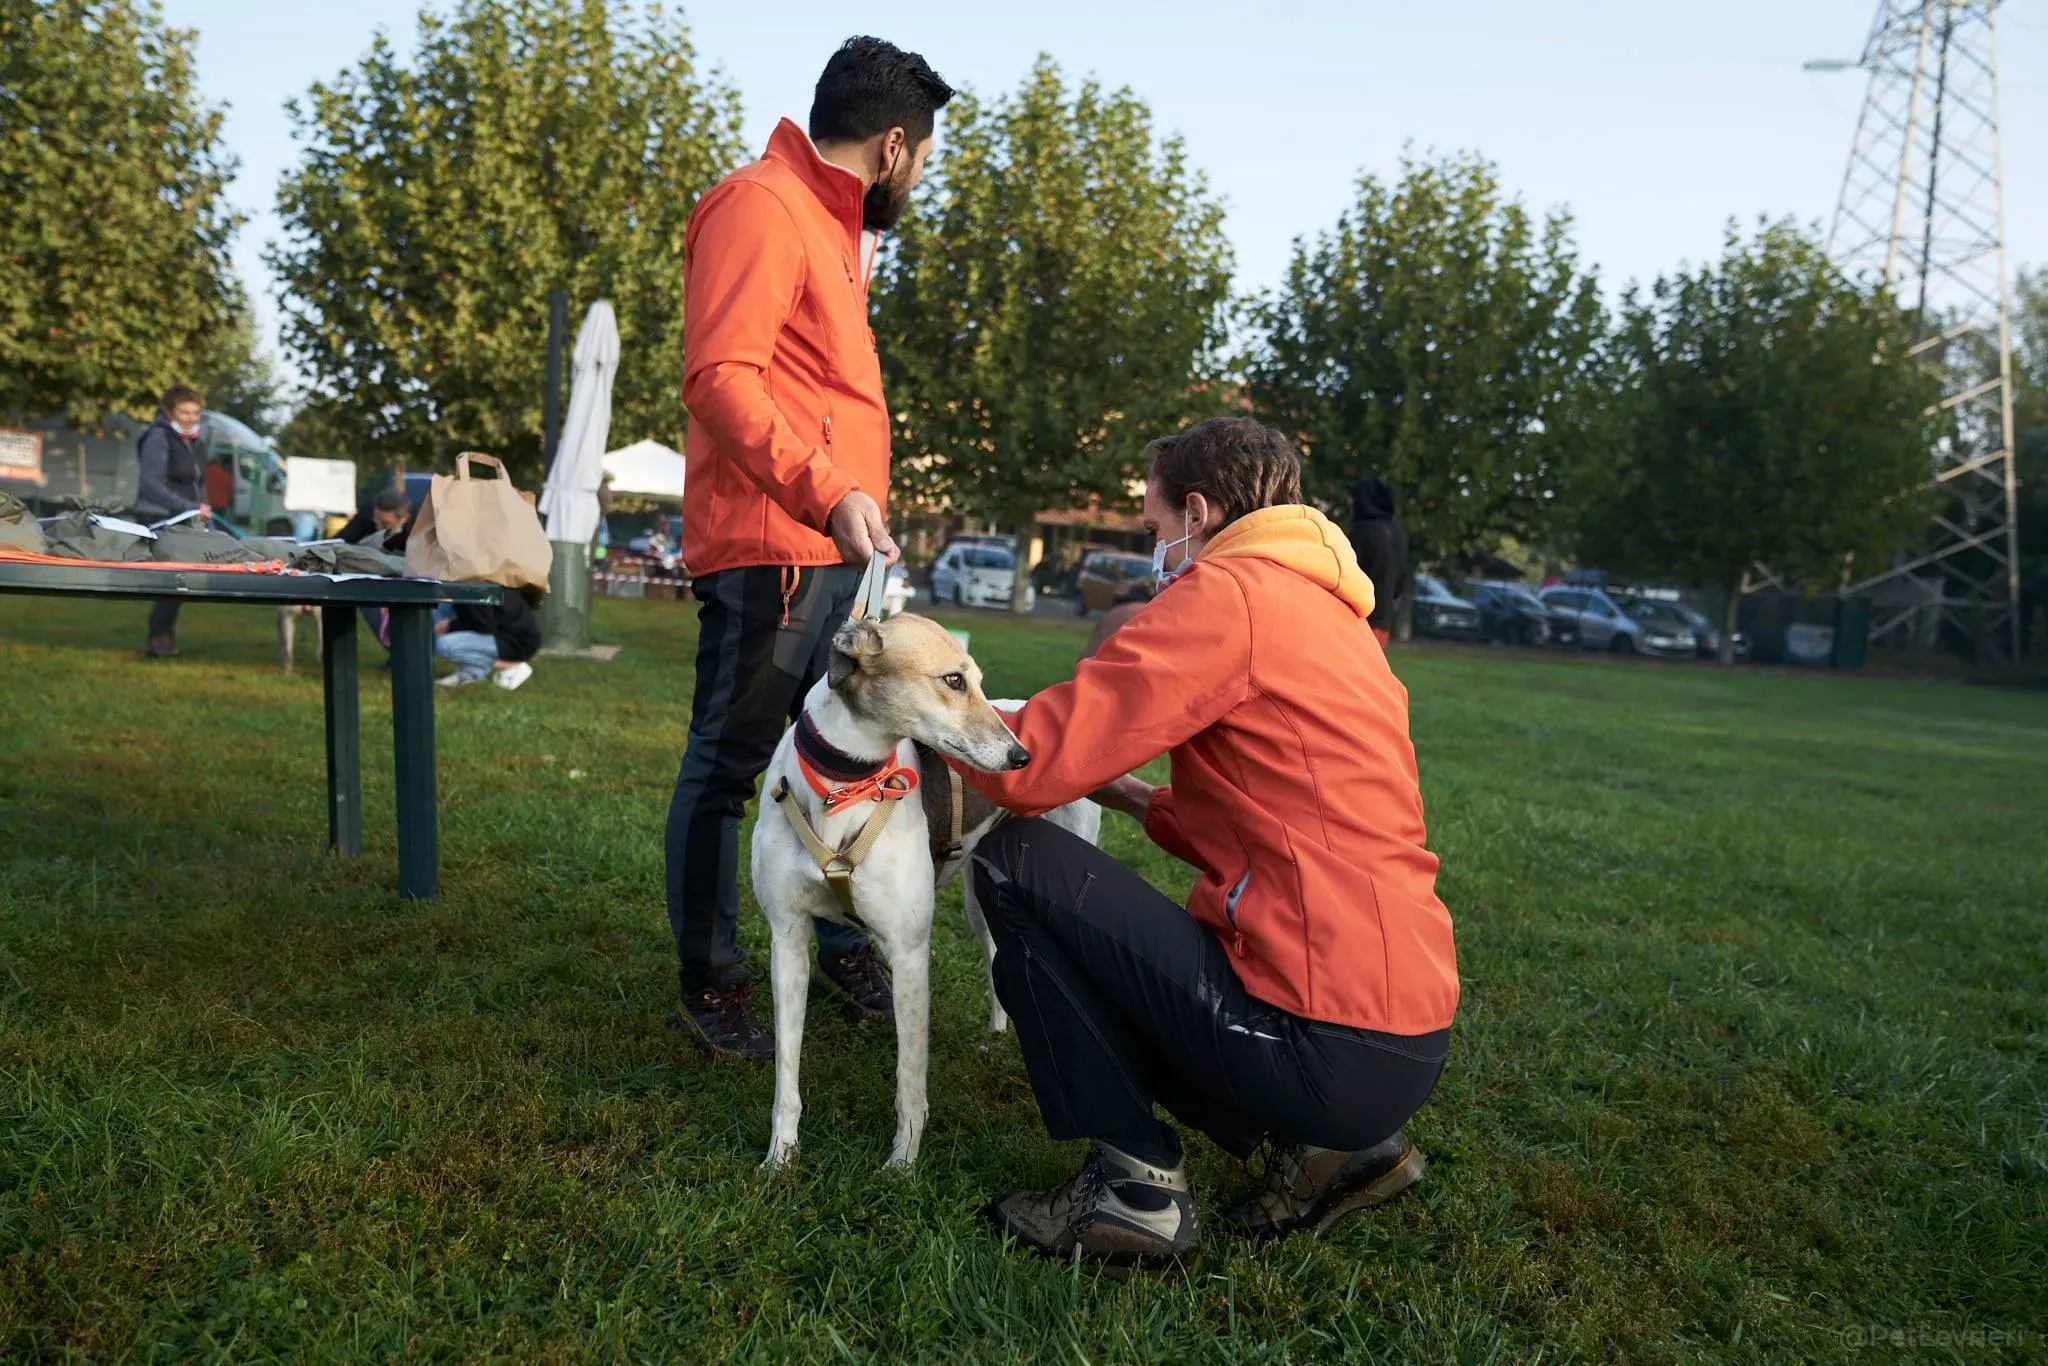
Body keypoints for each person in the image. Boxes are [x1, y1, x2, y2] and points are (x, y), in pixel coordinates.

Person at [955, 417, 1459, 1268]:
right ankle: (1337, 1144)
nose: (1156, 552)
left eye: (1153, 531)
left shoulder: (1229, 593)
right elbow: (1272, 821)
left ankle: (1136, 1191)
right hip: (1398, 1035)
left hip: (1325, 1041)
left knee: (1014, 859)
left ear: (1195, 511)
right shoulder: (1330, 614)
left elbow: (1024, 767)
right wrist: (1135, 795)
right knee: (1091, 910)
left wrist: (921, 707)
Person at [663, 36, 954, 1057]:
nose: (919, 175)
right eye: (923, 157)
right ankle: (711, 979)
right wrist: (828, 491)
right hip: (772, 550)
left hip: (829, 550)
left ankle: (834, 943)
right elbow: (721, 378)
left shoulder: (834, 230)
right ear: (891, 147)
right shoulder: (760, 206)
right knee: (732, 764)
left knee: (835, 761)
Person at [131, 384, 211, 658]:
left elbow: (198, 483)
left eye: (195, 412)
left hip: (186, 518)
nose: (190, 418)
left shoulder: (196, 441)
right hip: (158, 516)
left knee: (179, 581)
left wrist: (202, 509)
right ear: (168, 412)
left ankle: (163, 637)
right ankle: (158, 640)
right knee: (173, 579)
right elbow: (151, 484)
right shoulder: (157, 438)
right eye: (183, 412)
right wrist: (190, 507)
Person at [433, 589, 541, 690]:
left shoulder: (476, 586)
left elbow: (485, 626)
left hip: (517, 642)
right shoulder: (475, 580)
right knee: (433, 607)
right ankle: (467, 673)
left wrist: (450, 626)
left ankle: (510, 666)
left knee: (446, 646)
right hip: (506, 632)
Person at [1349, 476, 1407, 648]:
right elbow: (1401, 580)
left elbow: (1348, 573)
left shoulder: (1363, 531)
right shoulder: (1397, 532)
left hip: (1360, 618)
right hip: (1384, 619)